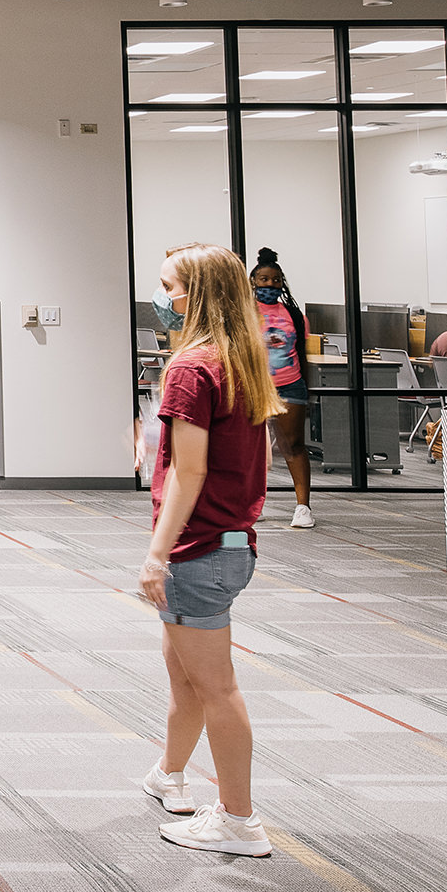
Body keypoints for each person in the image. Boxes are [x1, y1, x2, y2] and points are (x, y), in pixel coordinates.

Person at [139, 242, 277, 858]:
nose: (164, 299)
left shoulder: (192, 368)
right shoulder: (242, 358)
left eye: (171, 287)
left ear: (196, 294)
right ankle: (169, 772)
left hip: (197, 551)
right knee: (186, 675)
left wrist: (158, 554)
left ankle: (240, 820)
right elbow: (255, 456)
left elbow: (189, 475)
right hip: (230, 544)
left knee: (214, 686)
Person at [251, 249, 314, 529]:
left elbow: (302, 352)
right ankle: (253, 504)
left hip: (289, 384)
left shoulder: (293, 314)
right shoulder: (244, 312)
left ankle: (303, 507)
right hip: (253, 387)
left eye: (275, 280)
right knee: (249, 450)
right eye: (263, 279)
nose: (269, 285)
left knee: (293, 446)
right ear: (252, 281)